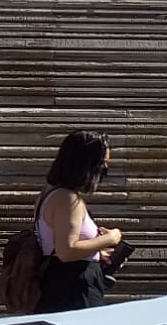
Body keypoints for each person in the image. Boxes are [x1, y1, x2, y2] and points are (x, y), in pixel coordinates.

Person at [34, 130, 122, 313]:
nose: (104, 173)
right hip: (74, 287)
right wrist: (111, 238)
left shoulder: (52, 193)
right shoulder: (67, 199)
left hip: (63, 283)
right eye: (102, 166)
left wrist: (97, 252)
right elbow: (66, 251)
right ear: (86, 165)